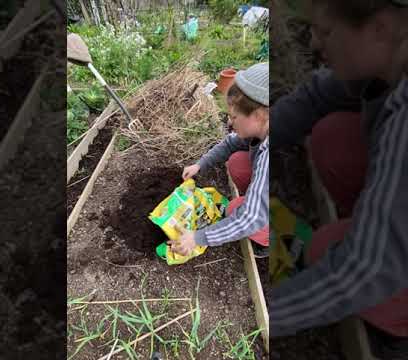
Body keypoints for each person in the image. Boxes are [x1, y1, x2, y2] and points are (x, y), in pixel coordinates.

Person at [270, 0, 408, 357]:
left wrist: (260, 313)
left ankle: (396, 328)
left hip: (383, 265)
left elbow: (366, 268)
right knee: (333, 138)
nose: (315, 43)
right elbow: (315, 97)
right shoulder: (388, 60)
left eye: (327, 32)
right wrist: (249, 139)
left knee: (324, 248)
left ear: (380, 28)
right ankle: (375, 224)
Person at [169, 62, 269, 258]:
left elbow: (250, 219)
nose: (230, 123)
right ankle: (259, 199)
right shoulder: (265, 125)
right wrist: (200, 164)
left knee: (235, 210)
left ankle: (268, 240)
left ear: (259, 115)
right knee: (238, 163)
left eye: (233, 117)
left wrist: (196, 238)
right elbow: (231, 143)